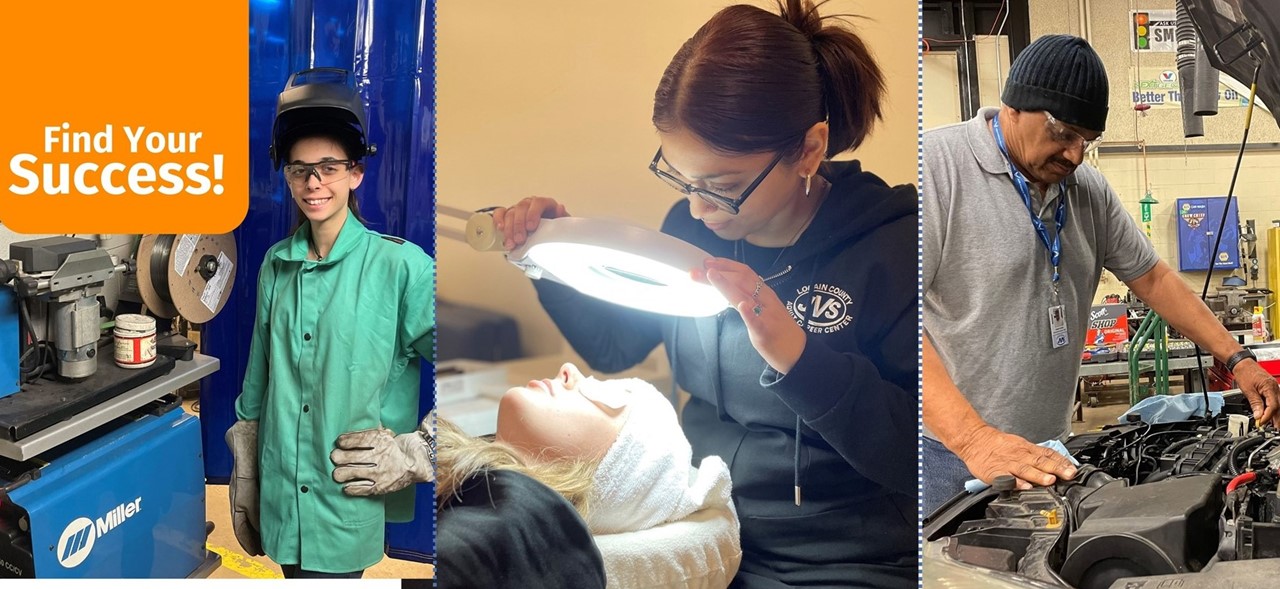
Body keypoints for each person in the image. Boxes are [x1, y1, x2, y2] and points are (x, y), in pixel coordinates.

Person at [489, 1, 918, 585]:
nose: (697, 208)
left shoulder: (893, 247)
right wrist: (548, 255)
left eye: (723, 187)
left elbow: (914, 456)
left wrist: (798, 357)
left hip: (845, 561)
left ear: (810, 150)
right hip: (705, 535)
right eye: (681, 178)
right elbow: (615, 349)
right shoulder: (692, 226)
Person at [921, 34, 1280, 514]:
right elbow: (895, 320)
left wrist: (1238, 359)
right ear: (1014, 106)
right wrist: (974, 440)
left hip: (1052, 448)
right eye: (1063, 133)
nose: (1073, 156)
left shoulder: (1086, 188)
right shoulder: (937, 169)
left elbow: (1152, 278)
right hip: (953, 454)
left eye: (1086, 142)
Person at [225, 69, 437, 578]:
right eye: (300, 170)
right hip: (280, 492)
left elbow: (477, 372)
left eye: (328, 167)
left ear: (355, 173)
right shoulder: (277, 263)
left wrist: (422, 449)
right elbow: (259, 378)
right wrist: (248, 469)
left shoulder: (402, 268)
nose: (313, 182)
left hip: (343, 501)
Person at [331, 363, 738, 588]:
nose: (569, 369)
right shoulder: (493, 494)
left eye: (607, 396)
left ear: (614, 477)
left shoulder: (523, 520)